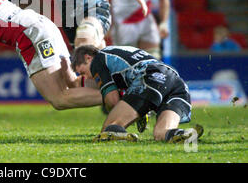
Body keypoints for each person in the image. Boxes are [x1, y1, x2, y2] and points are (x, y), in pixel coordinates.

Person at [69, 45, 204, 143]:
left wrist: (124, 111)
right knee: (161, 133)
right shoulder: (115, 52)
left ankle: (124, 136)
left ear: (88, 58)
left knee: (109, 128)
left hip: (151, 75)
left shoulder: (98, 59)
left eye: (82, 72)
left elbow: (113, 100)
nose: (86, 77)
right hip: (176, 82)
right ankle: (184, 134)